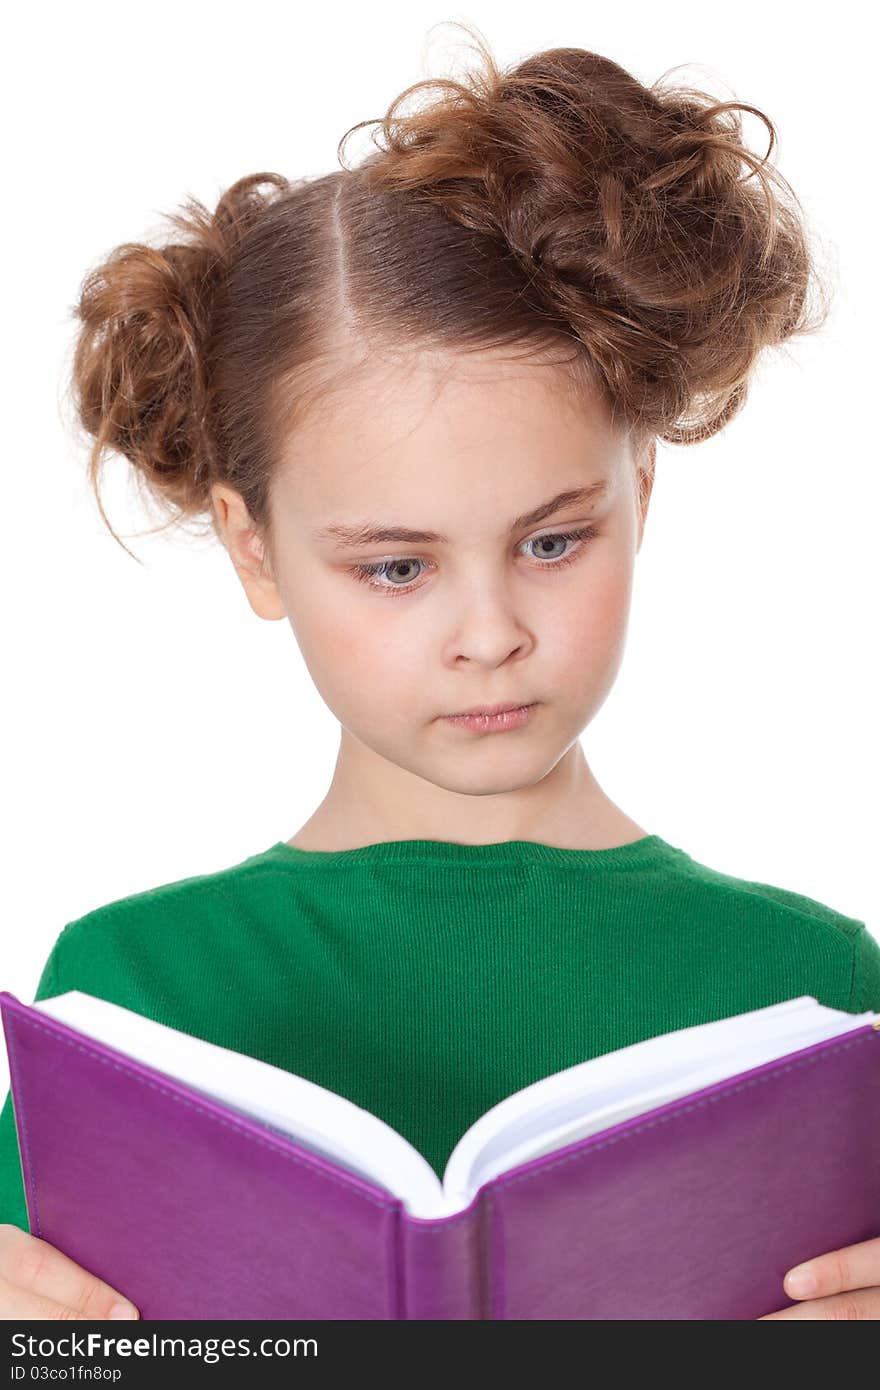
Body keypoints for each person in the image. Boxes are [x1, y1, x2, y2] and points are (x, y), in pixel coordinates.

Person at [2, 25, 878, 1322]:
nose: (490, 632)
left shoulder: (816, 994)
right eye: (397, 567)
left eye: (552, 540)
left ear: (640, 493)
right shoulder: (130, 994)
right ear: (256, 550)